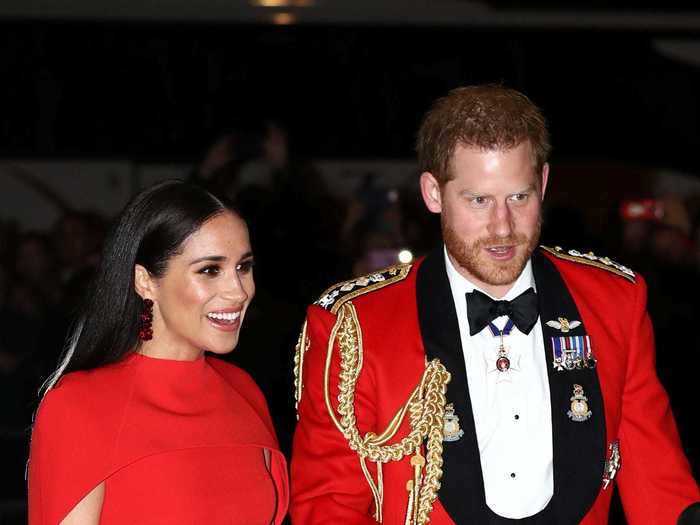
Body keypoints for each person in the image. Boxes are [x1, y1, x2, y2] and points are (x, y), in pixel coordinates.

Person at [290, 85, 700, 525]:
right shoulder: (355, 324)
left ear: (542, 183)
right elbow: (329, 506)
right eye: (479, 200)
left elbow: (659, 486)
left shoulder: (614, 300)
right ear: (433, 193)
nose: (502, 227)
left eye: (519, 197)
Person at [28, 180, 288, 525]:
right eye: (210, 270)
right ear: (145, 281)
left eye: (243, 266)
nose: (238, 291)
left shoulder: (243, 390)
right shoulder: (78, 405)